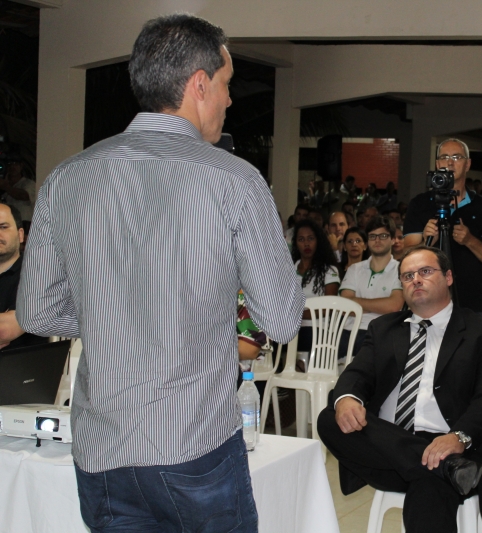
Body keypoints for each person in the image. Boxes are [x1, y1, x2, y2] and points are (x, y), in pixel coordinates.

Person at [17, 15, 305, 532]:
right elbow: (281, 320)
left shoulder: (67, 177)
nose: (230, 99)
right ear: (200, 84)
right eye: (227, 84)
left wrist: (115, 316)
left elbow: (35, 312)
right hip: (194, 442)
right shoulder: (234, 179)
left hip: (103, 448)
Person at [317, 246, 482, 533]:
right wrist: (347, 399)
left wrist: (458, 438)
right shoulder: (384, 329)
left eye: (425, 272)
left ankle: (442, 466)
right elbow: (357, 373)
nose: (416, 280)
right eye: (407, 276)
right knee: (331, 416)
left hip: (452, 442)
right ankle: (446, 467)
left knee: (430, 486)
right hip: (387, 448)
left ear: (448, 277)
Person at [404, 139, 482, 315]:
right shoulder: (420, 204)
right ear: (437, 164)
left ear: (468, 164)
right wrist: (426, 242)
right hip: (427, 303)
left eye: (457, 157)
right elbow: (404, 256)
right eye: (444, 157)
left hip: (471, 302)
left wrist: (470, 240)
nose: (450, 162)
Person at [339, 216, 405, 359]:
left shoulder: (401, 269)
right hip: (348, 332)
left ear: (393, 239)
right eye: (373, 236)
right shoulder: (354, 269)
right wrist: (379, 306)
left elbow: (394, 306)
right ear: (368, 241)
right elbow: (344, 307)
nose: (377, 240)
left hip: (381, 332)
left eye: (383, 236)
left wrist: (357, 304)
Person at [0, 202, 47, 350]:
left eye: (3, 227)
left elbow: (4, 331)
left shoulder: (38, 274)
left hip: (22, 363)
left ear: (20, 235)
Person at [292, 219, 340, 352]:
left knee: (301, 339)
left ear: (318, 241)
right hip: (290, 328)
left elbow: (329, 308)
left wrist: (296, 315)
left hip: (317, 328)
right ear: (296, 243)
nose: (306, 243)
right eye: (301, 239)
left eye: (311, 238)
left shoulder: (329, 270)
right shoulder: (288, 271)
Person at [0, 154, 37, 223]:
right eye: (9, 164)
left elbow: (24, 196)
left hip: (24, 223)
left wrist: (6, 187)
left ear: (21, 166)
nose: (12, 166)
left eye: (15, 164)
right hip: (6, 223)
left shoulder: (29, 183)